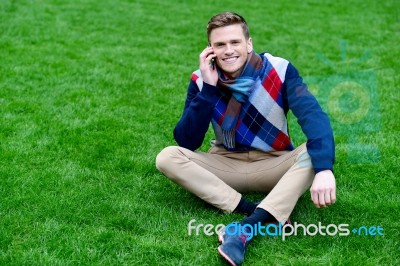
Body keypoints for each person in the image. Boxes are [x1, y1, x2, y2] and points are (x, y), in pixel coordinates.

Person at [156, 11, 336, 266]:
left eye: (235, 42)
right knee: (167, 157)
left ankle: (244, 228)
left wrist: (325, 170)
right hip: (225, 163)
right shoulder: (201, 79)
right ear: (210, 50)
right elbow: (186, 141)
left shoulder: (280, 70)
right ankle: (253, 210)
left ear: (249, 44)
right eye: (220, 44)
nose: (228, 50)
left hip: (274, 163)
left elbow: (313, 117)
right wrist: (208, 89)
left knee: (314, 154)